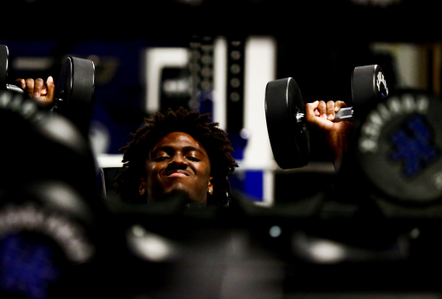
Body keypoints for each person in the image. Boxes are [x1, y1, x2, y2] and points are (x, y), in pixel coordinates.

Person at [18, 77, 351, 206]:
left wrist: (339, 142)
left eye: (192, 156)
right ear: (140, 185)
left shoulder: (242, 231)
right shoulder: (112, 232)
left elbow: (349, 225)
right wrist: (38, 122)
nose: (178, 160)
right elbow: (56, 193)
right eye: (163, 155)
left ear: (211, 183)